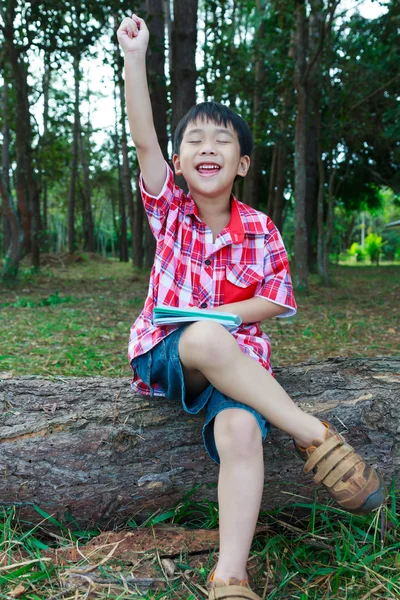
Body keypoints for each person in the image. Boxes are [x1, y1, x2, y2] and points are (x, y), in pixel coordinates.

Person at [117, 13, 386, 600]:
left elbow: (277, 299)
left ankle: (230, 577)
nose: (205, 148)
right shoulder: (170, 212)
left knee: (241, 432)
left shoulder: (261, 229)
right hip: (170, 352)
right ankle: (316, 437)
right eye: (194, 141)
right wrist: (135, 59)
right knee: (207, 338)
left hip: (239, 368)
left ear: (240, 164)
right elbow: (143, 137)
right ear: (180, 163)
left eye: (222, 141)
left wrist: (228, 315)